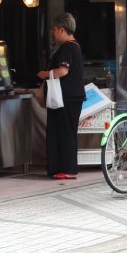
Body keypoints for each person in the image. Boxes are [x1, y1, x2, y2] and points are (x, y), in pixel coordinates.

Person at [37, 12, 84, 180]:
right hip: (69, 97)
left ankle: (69, 169)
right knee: (62, 132)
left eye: (54, 30)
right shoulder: (74, 46)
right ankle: (61, 168)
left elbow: (63, 70)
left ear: (62, 29)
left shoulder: (68, 47)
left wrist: (44, 73)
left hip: (67, 98)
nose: (53, 33)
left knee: (65, 132)